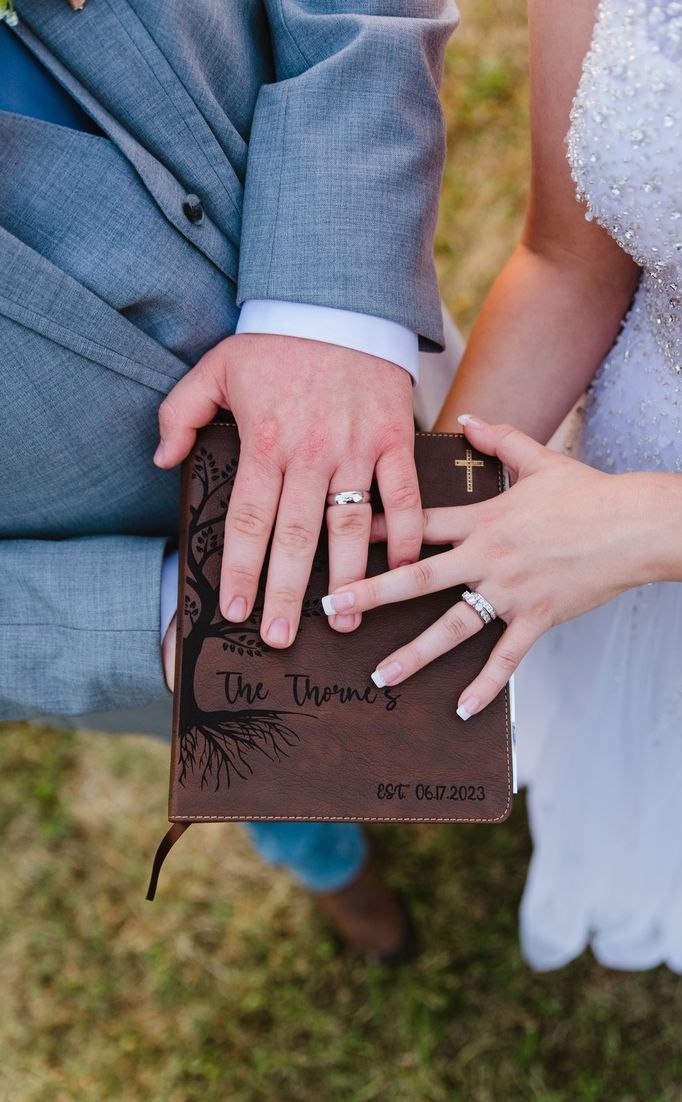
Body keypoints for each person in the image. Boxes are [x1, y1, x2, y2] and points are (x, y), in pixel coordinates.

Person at [0, 0, 458, 961]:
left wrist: (332, 306)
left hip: (366, 337)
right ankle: (329, 861)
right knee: (261, 747)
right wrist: (156, 619)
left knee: (480, 551)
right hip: (109, 561)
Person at [321, 0, 682, 972]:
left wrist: (646, 524)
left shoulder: (616, 527)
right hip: (620, 455)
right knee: (629, 736)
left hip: (619, 518)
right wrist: (426, 520)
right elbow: (567, 259)